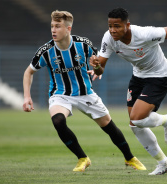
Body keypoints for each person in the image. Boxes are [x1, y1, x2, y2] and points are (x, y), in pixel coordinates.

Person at [22, 10, 146, 172]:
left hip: (85, 93)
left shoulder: (83, 44)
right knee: (58, 121)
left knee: (109, 127)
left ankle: (130, 158)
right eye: (52, 26)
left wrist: (96, 68)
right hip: (60, 94)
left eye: (58, 26)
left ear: (68, 29)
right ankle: (82, 158)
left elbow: (99, 68)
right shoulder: (45, 51)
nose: (53, 30)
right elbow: (28, 72)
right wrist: (26, 97)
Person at [90, 8, 167, 175]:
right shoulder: (109, 38)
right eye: (110, 26)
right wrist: (97, 66)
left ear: (127, 25)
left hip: (159, 76)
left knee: (137, 118)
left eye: (117, 26)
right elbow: (100, 70)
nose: (113, 30)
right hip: (138, 76)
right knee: (134, 124)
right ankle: (164, 163)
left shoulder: (144, 34)